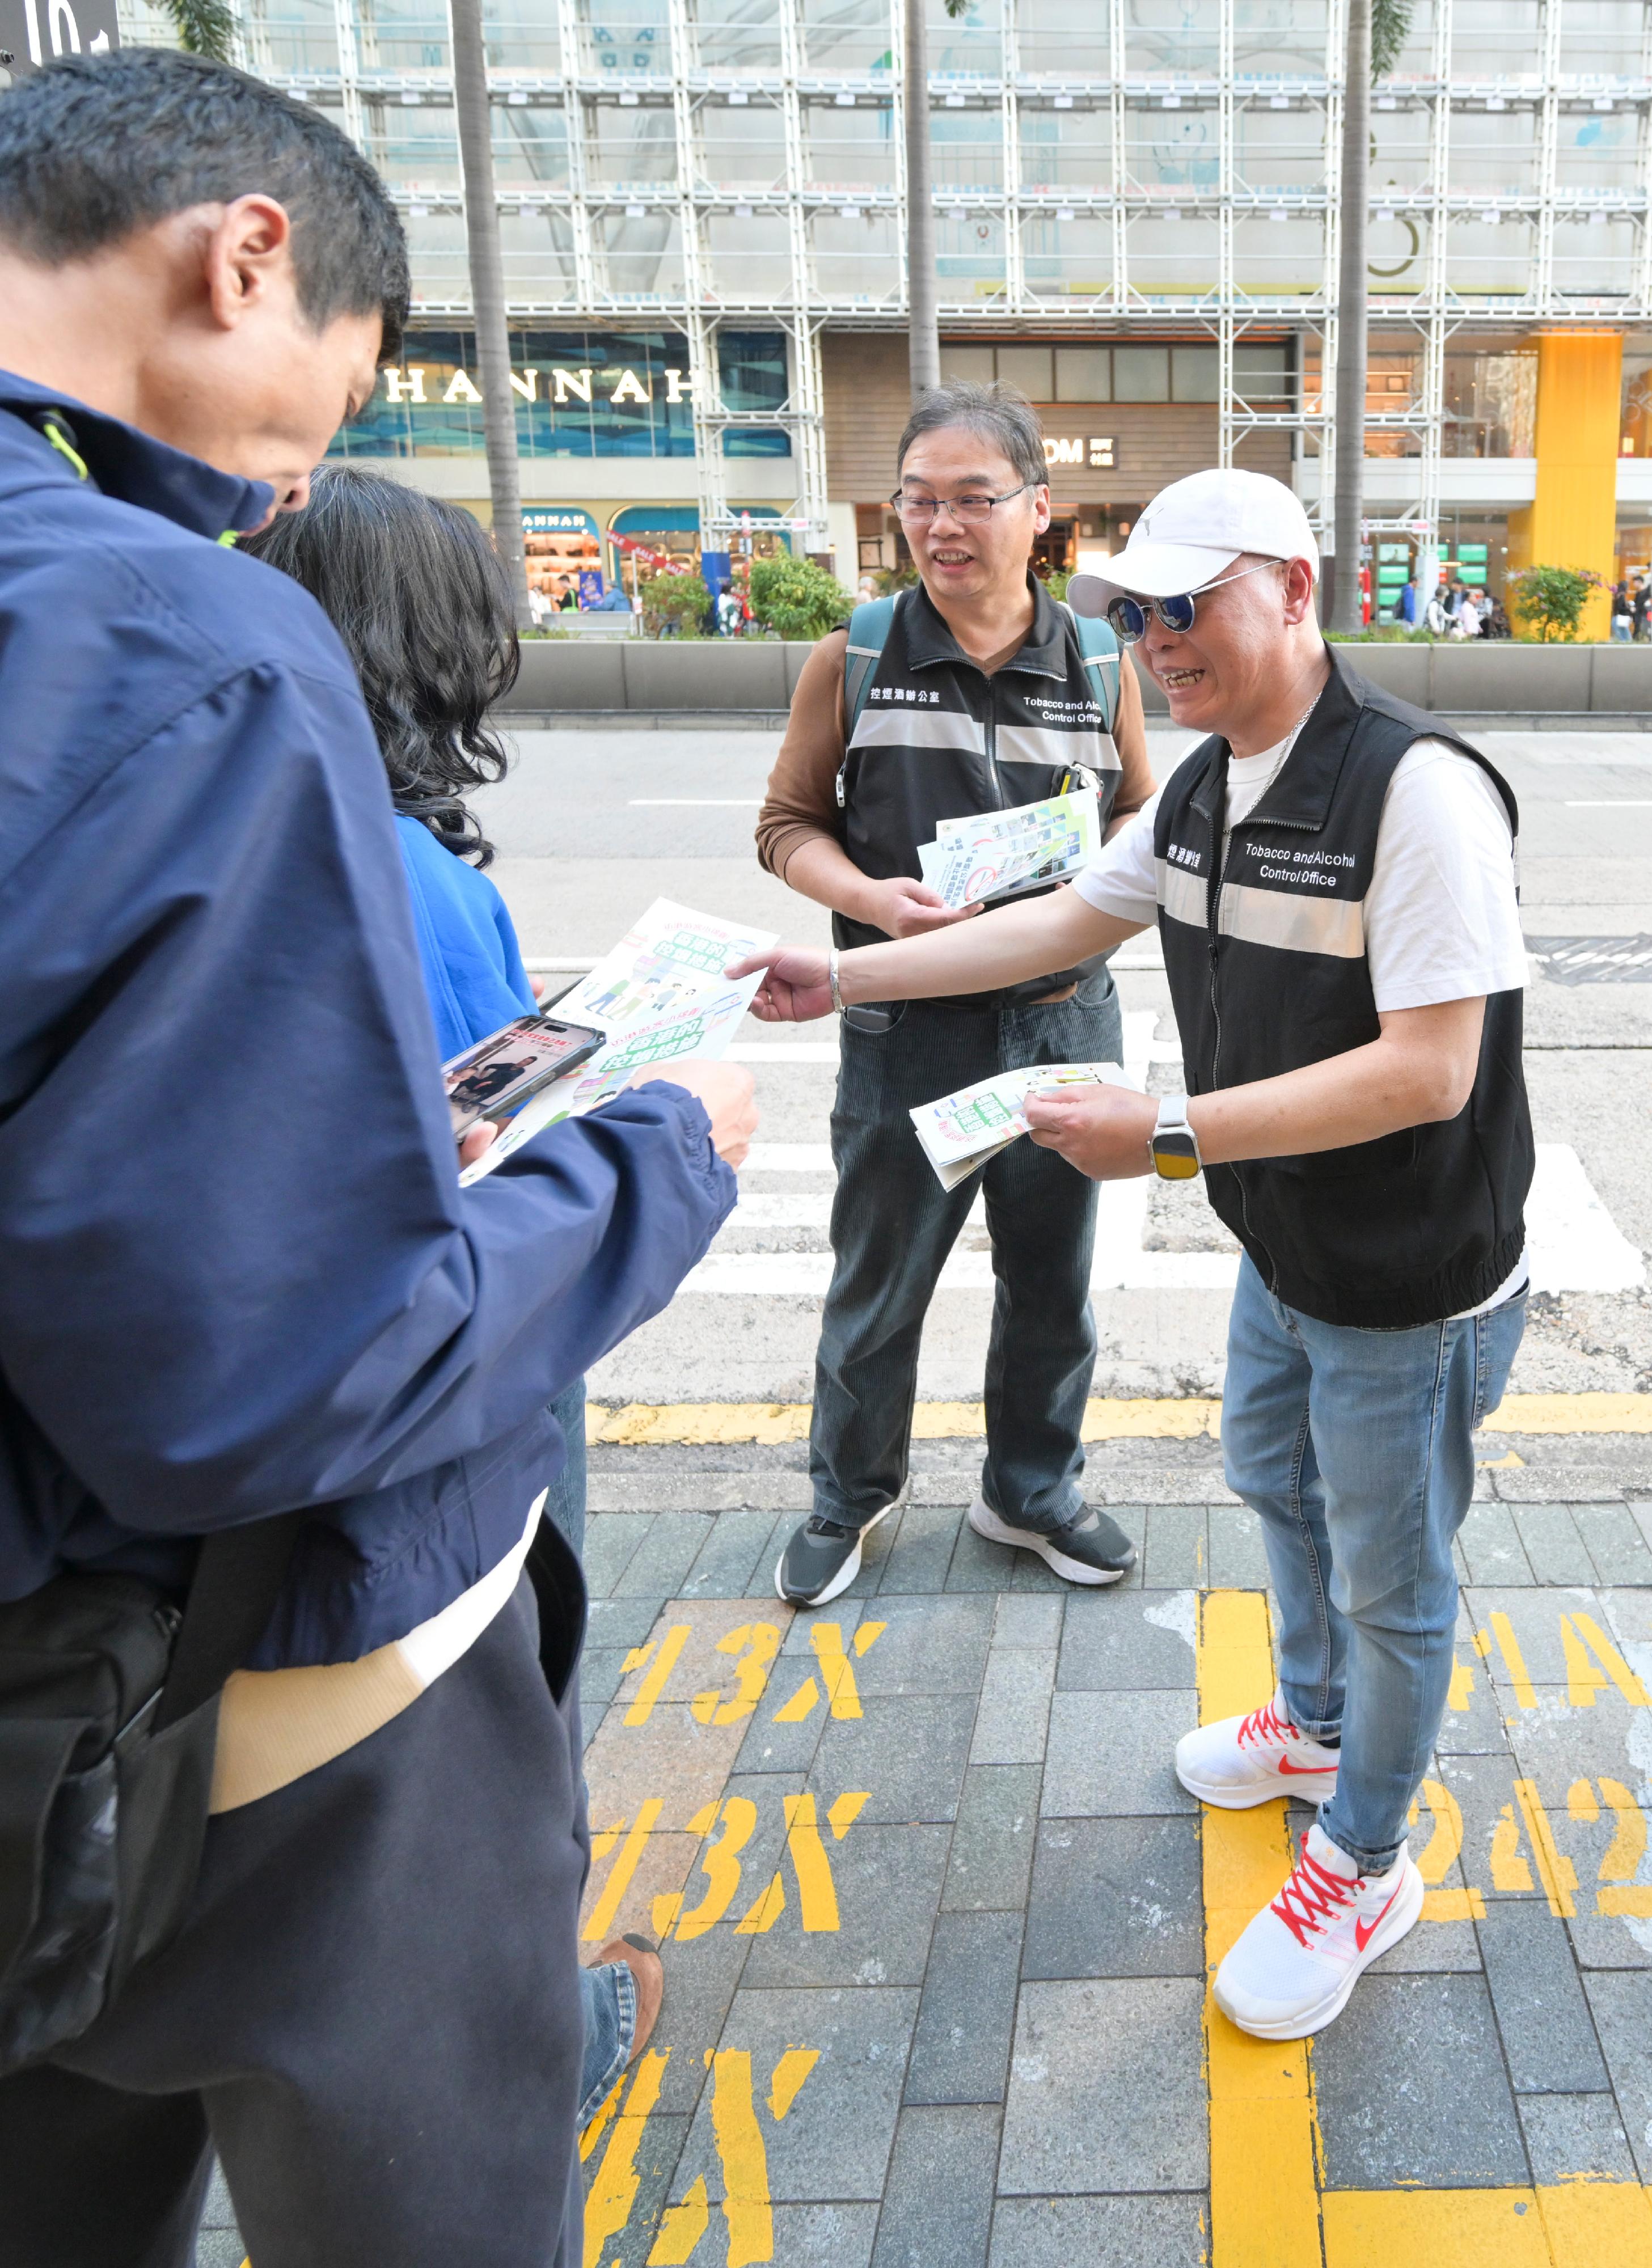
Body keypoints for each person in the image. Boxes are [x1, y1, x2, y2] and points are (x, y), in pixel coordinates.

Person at [0, 49, 757, 2268]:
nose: (293, 483)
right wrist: (654, 1166)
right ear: (246, 254)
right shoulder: (162, 634)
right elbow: (268, 1373)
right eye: (333, 397)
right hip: (232, 1696)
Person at [732, 464, 1531, 2042]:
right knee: (1272, 1482)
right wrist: (849, 982)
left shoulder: (1416, 789)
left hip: (1407, 1279)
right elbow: (1054, 925)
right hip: (1284, 1249)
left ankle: (1367, 1854)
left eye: (1192, 606)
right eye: (1141, 614)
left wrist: (1163, 1134)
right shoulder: (1206, 788)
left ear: (1295, 592)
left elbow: (1430, 1072)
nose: (1159, 641)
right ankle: (1315, 1733)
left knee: (1393, 1579)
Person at [241, 465, 664, 2127]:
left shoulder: (201, 817)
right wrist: (657, 1124)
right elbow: (498, 1155)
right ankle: (532, 2038)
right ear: (436, 648)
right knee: (503, 1718)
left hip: (222, 1470)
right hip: (438, 1410)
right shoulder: (411, 872)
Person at [753, 378, 1155, 1606]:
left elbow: (1140, 812)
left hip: (1060, 1021)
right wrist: (872, 902)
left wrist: (1096, 870)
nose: (941, 524)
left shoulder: (1097, 657)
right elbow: (784, 826)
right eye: (917, 500)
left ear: (1038, 509)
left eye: (972, 498)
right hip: (902, 1029)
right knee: (880, 1281)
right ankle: (849, 1494)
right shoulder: (858, 655)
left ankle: (1029, 1491)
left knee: (1051, 1277)